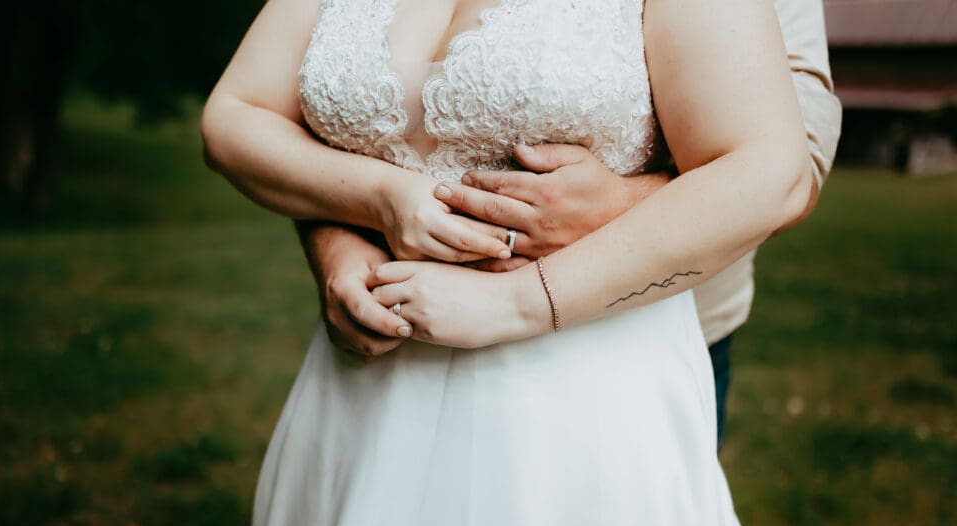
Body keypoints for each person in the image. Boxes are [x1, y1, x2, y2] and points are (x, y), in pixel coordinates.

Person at [202, 0, 817, 526]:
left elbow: (770, 171)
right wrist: (366, 209)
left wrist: (519, 302)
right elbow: (236, 114)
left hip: (572, 409)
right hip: (358, 403)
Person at [286, 0, 842, 447]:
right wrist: (334, 238)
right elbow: (323, 120)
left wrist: (620, 204)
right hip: (371, 362)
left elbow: (790, 159)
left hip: (612, 345)